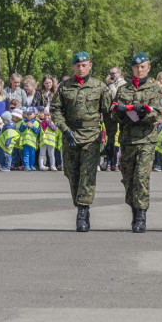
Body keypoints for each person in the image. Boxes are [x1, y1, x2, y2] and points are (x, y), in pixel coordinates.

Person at [51, 51, 114, 232]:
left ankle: (83, 211)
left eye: (84, 65)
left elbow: (108, 114)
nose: (81, 68)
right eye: (77, 65)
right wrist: (65, 129)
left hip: (91, 136)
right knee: (72, 173)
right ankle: (80, 203)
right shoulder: (64, 87)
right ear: (73, 67)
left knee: (87, 174)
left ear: (90, 65)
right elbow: (55, 110)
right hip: (70, 134)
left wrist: (110, 140)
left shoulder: (100, 87)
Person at [107, 53, 162, 232]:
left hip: (146, 139)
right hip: (127, 140)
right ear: (131, 69)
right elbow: (114, 112)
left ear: (148, 68)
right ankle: (134, 209)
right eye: (136, 67)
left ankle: (141, 215)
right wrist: (121, 113)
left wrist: (143, 113)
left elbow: (158, 113)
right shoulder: (123, 90)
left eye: (143, 67)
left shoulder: (154, 89)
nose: (139, 70)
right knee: (128, 179)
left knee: (141, 178)